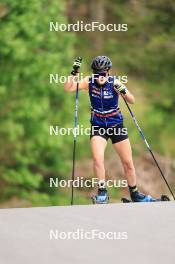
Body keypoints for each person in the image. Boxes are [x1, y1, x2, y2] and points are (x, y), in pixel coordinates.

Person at [64, 55, 156, 203]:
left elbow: (132, 100)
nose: (100, 77)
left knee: (127, 162)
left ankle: (135, 194)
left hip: (116, 126)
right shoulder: (89, 82)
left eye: (104, 74)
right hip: (98, 126)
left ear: (109, 72)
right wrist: (74, 72)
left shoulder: (115, 82)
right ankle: (102, 193)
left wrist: (123, 91)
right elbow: (68, 88)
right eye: (97, 74)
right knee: (97, 158)